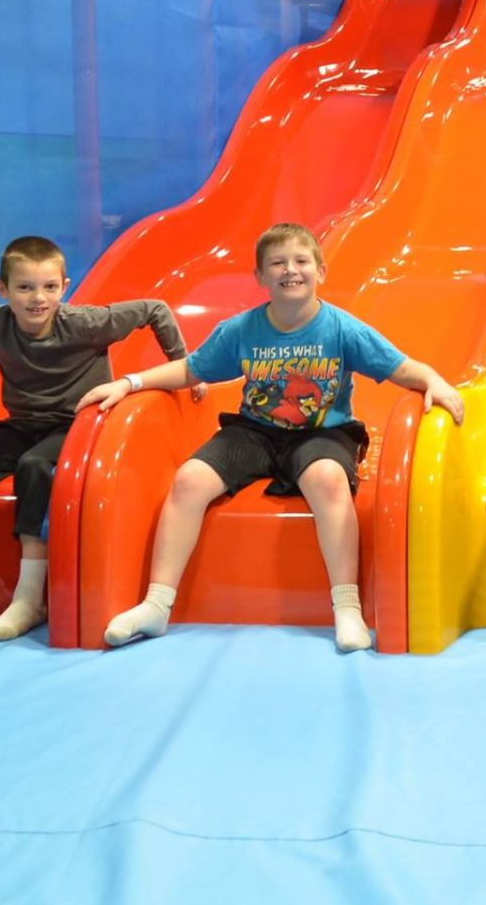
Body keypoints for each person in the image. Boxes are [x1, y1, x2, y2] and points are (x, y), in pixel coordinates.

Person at [84, 222, 463, 653]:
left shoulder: (341, 329)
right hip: (256, 431)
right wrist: (130, 382)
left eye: (301, 261)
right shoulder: (242, 329)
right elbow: (192, 369)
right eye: (278, 263)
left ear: (321, 271)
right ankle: (157, 605)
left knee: (328, 480)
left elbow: (400, 367)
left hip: (323, 431)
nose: (291, 270)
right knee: (189, 479)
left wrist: (434, 381)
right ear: (260, 277)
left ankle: (347, 607)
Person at [0, 235, 190, 643]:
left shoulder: (83, 323)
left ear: (64, 286)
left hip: (77, 425)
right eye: (24, 287)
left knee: (35, 466)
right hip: (23, 424)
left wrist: (183, 366)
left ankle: (28, 598)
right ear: (2, 289)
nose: (38, 298)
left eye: (49, 287)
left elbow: (155, 310)